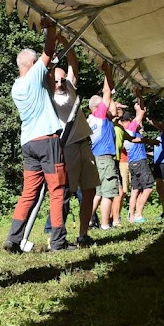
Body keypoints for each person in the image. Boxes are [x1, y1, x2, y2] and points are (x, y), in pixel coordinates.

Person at [4, 17, 71, 253]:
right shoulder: (34, 75)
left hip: (28, 142)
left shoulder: (16, 86)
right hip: (47, 140)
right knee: (57, 190)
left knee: (29, 192)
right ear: (32, 64)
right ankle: (57, 241)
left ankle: (13, 239)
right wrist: (51, 29)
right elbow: (48, 50)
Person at [51, 48, 98, 247]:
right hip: (67, 146)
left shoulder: (70, 87)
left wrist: (66, 44)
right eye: (56, 81)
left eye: (62, 80)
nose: (60, 83)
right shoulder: (49, 98)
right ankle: (57, 236)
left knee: (90, 190)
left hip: (84, 143)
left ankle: (83, 233)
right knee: (64, 193)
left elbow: (74, 66)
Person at [88, 61, 122, 230]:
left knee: (98, 193)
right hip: (105, 159)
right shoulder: (100, 115)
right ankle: (105, 225)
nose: (107, 107)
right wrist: (107, 71)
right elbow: (107, 91)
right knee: (108, 192)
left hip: (96, 158)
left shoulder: (90, 120)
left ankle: (87, 221)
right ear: (96, 107)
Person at [123, 101, 154, 222]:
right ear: (129, 120)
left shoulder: (126, 133)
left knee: (135, 190)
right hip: (140, 162)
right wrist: (139, 101)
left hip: (132, 163)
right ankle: (138, 214)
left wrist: (137, 107)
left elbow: (139, 120)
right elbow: (141, 113)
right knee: (148, 187)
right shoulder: (130, 129)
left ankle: (131, 216)